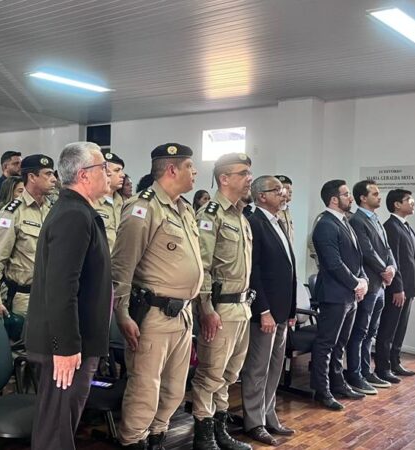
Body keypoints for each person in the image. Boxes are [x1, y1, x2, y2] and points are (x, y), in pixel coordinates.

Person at [112, 143, 202, 449]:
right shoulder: (143, 207)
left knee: (174, 390)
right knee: (144, 390)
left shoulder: (184, 208)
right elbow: (122, 267)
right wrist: (122, 314)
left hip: (182, 315)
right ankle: (133, 441)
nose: (195, 172)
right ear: (172, 169)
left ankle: (157, 437)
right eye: (190, 166)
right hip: (152, 314)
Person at [26, 141, 112, 450]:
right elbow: (62, 287)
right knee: (55, 432)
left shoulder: (78, 211)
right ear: (84, 174)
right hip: (65, 347)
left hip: (73, 342)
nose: (108, 173)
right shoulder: (73, 215)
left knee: (61, 426)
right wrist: (64, 347)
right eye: (103, 167)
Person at [190, 152, 254, 450]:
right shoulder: (210, 214)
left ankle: (220, 430)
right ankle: (203, 436)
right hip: (220, 308)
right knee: (210, 374)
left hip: (241, 307)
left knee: (229, 375)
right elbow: (201, 267)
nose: (249, 179)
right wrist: (206, 309)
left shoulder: (240, 215)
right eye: (243, 173)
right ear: (224, 178)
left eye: (249, 173)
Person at [241, 176, 297, 446]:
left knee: (275, 366)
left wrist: (292, 308)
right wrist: (263, 309)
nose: (283, 194)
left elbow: (290, 270)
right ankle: (254, 421)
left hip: (282, 310)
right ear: (262, 196)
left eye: (283, 190)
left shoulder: (278, 221)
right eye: (277, 190)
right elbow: (254, 272)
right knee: (258, 368)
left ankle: (269, 414)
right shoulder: (255, 223)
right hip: (265, 311)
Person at [310, 179, 368, 411]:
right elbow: (333, 263)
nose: (350, 198)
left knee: (341, 343)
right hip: (334, 294)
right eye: (346, 194)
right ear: (334, 199)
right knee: (326, 344)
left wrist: (363, 280)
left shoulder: (344, 221)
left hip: (349, 294)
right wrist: (356, 283)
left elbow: (357, 258)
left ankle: (338, 383)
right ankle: (322, 391)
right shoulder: (325, 224)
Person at [0, 155, 55, 318]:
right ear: (32, 177)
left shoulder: (53, 210)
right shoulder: (12, 213)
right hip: (24, 298)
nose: (54, 179)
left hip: (52, 295)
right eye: (48, 174)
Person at [346, 180, 397, 394]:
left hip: (381, 285)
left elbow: (387, 249)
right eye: (375, 194)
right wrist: (384, 269)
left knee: (371, 332)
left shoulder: (376, 219)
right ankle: (355, 374)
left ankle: (366, 371)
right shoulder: (357, 220)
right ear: (363, 198)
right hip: (369, 283)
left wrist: (392, 267)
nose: (379, 197)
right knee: (360, 331)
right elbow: (366, 251)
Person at [375, 189, 415, 382]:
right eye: (408, 199)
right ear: (397, 204)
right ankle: (383, 368)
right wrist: (397, 288)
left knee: (400, 329)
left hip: (408, 287)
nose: (413, 202)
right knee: (388, 329)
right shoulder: (391, 227)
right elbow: (394, 262)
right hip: (397, 289)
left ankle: (395, 362)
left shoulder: (406, 226)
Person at [95, 150, 125, 251]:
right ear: (104, 172)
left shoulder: (123, 203)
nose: (122, 175)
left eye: (122, 170)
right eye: (117, 170)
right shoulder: (92, 202)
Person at [274, 175, 295, 243]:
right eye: (287, 188)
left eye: (290, 188)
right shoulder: (273, 211)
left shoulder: (286, 210)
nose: (291, 191)